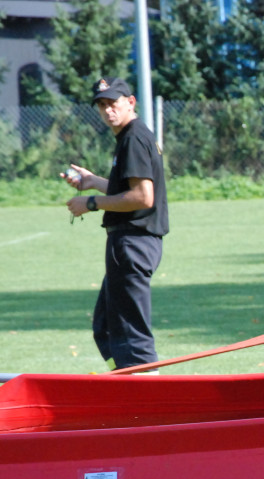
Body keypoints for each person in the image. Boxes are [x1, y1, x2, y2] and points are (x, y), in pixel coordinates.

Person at [64, 77, 168, 372]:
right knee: (107, 327)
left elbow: (142, 196)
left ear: (130, 102)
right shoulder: (131, 136)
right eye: (102, 106)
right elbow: (129, 188)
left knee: (131, 333)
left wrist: (92, 203)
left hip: (134, 242)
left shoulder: (134, 138)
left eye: (113, 103)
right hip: (130, 242)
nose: (108, 110)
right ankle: (125, 381)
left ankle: (149, 395)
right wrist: (94, 182)